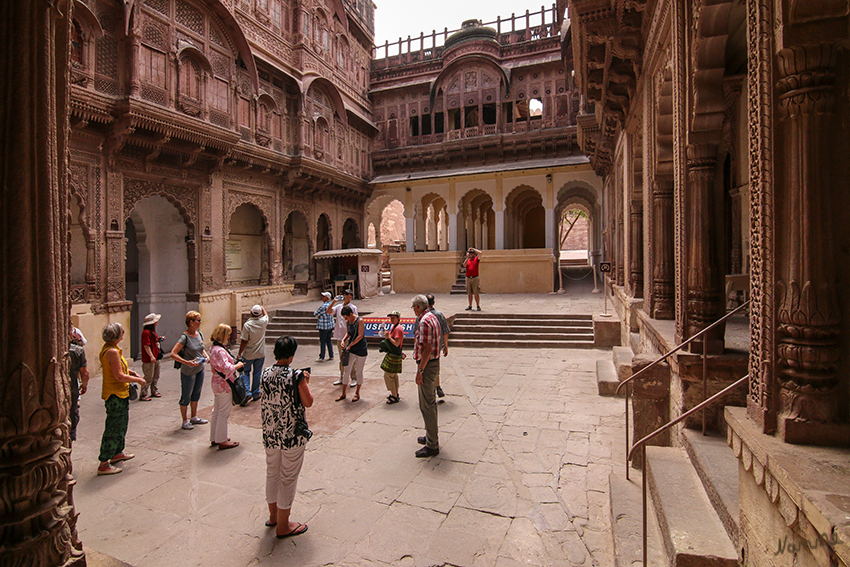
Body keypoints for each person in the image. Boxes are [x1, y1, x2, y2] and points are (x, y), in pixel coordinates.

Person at [261, 336, 313, 539]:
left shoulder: (265, 373)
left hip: (271, 432)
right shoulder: (296, 376)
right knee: (288, 476)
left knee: (272, 473)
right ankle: (283, 524)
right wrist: (306, 382)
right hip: (291, 434)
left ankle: (273, 516)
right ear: (292, 355)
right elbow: (308, 402)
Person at [97, 322, 146, 475]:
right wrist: (138, 381)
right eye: (122, 332)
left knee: (121, 424)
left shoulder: (112, 349)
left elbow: (118, 368)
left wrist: (130, 372)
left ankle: (117, 452)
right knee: (113, 427)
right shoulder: (111, 351)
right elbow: (118, 376)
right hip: (115, 394)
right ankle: (104, 463)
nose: (124, 334)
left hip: (120, 393)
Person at [411, 294, 441, 458]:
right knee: (430, 403)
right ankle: (431, 436)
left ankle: (432, 444)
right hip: (433, 364)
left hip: (427, 366)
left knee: (426, 405)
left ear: (417, 307)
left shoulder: (423, 322)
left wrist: (420, 371)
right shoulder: (432, 317)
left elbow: (427, 349)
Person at [171, 311, 210, 431]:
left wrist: (206, 356)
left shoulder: (199, 334)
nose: (200, 322)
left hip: (199, 368)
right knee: (186, 395)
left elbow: (201, 348)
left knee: (196, 393)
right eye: (198, 320)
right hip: (188, 371)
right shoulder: (185, 337)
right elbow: (173, 354)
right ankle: (184, 420)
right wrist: (186, 362)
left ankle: (194, 416)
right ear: (191, 322)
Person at [208, 324, 244, 450]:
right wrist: (238, 365)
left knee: (217, 411)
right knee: (223, 412)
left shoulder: (214, 348)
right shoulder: (220, 350)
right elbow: (227, 368)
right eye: (228, 334)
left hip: (216, 383)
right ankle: (222, 440)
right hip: (224, 384)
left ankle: (215, 437)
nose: (229, 337)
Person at [238, 304, 269, 403]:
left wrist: (239, 354)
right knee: (257, 373)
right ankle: (256, 392)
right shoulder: (263, 322)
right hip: (260, 353)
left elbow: (244, 341)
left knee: (245, 372)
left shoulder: (247, 325)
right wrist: (262, 307)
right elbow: (266, 315)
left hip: (248, 353)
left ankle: (247, 392)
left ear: (250, 313)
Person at [335, 305, 367, 402]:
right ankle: (343, 393)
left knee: (359, 371)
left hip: (360, 348)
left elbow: (360, 335)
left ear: (351, 314)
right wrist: (343, 340)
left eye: (346, 317)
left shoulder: (360, 321)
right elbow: (348, 333)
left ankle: (357, 393)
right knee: (346, 370)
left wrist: (350, 345)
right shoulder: (347, 321)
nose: (346, 319)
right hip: (351, 348)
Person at [327, 289, 358, 387]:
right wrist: (334, 301)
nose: (344, 296)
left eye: (347, 294)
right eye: (344, 294)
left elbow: (355, 320)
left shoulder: (353, 308)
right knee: (342, 357)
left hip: (349, 336)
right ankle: (342, 376)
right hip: (340, 335)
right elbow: (329, 312)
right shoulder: (339, 307)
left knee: (352, 358)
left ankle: (354, 378)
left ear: (350, 296)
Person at [426, 293, 450, 398]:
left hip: (425, 347)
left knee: (425, 367)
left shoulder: (421, 316)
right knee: (435, 366)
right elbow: (445, 331)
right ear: (434, 303)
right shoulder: (439, 315)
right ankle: (437, 385)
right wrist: (445, 345)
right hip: (437, 346)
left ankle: (430, 387)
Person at [69, 329, 90, 442]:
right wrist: (84, 385)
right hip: (72, 388)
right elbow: (85, 372)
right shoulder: (78, 350)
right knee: (72, 414)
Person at [380, 310, 404, 404]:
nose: (391, 319)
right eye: (391, 318)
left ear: (398, 318)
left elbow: (397, 343)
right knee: (393, 375)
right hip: (394, 353)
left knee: (388, 375)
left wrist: (389, 337)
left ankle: (394, 395)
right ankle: (395, 394)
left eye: (393, 318)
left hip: (394, 354)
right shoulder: (394, 327)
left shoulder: (398, 329)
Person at [139, 312, 164, 400]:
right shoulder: (146, 333)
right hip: (149, 359)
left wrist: (160, 339)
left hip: (156, 356)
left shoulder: (152, 331)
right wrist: (151, 356)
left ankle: (154, 390)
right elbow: (146, 345)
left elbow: (154, 341)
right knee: (149, 377)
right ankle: (143, 393)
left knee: (156, 375)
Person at [313, 292, 334, 363]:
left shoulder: (323, 306)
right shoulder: (331, 305)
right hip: (330, 325)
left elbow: (315, 313)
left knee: (323, 341)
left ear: (327, 298)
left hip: (323, 326)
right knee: (329, 340)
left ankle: (322, 356)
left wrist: (319, 315)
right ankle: (331, 355)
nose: (322, 297)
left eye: (323, 296)